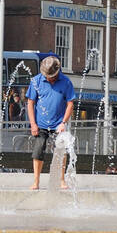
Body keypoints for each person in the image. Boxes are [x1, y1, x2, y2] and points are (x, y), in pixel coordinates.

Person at [26, 56, 76, 190]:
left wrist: (63, 122)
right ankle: (36, 182)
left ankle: (61, 180)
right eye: (47, 76)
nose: (49, 78)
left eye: (51, 76)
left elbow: (70, 103)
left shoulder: (66, 82)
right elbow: (30, 103)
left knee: (61, 152)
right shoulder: (36, 81)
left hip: (58, 124)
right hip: (40, 124)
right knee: (38, 151)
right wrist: (33, 124)